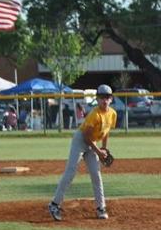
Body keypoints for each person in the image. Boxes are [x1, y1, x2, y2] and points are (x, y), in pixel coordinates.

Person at [48, 85, 117, 221]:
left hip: (93, 144)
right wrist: (98, 152)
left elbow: (106, 132)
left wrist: (104, 149)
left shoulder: (112, 114)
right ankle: (54, 204)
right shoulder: (94, 115)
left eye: (107, 97)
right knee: (71, 171)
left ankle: (100, 207)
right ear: (97, 99)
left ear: (111, 99)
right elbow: (86, 137)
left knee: (96, 175)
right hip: (81, 140)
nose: (105, 100)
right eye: (102, 97)